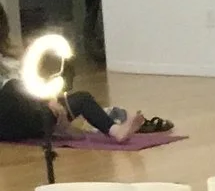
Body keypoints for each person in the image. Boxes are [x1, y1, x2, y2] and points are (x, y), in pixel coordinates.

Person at [0, 40, 154, 143]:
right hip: (5, 121)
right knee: (12, 87)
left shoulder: (11, 59)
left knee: (82, 98)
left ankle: (116, 131)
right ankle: (59, 127)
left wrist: (52, 100)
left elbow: (32, 85)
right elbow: (16, 90)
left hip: (30, 113)